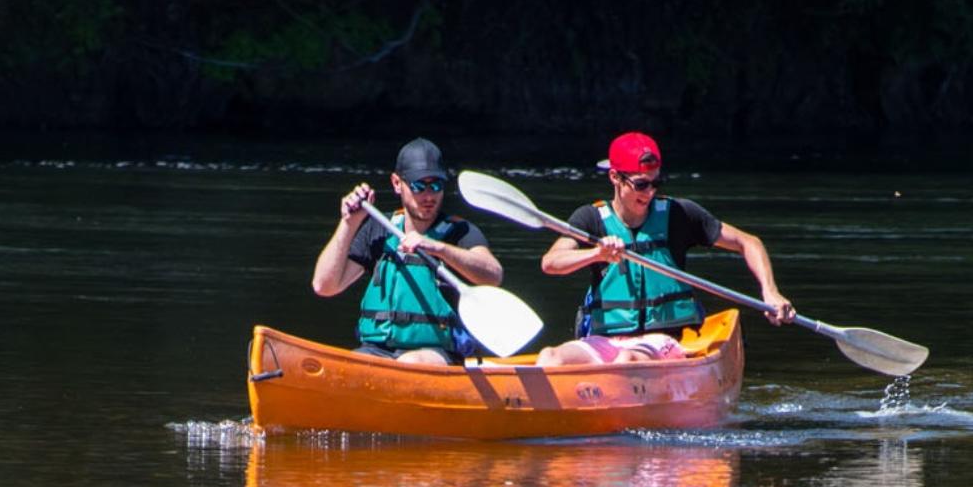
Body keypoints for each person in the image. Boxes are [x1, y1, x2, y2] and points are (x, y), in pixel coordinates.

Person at [535, 131, 795, 366]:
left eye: (655, 183)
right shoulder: (590, 219)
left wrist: (770, 292)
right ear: (615, 177)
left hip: (663, 339)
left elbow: (748, 242)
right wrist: (597, 253)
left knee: (627, 360)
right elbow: (551, 262)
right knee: (550, 357)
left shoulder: (678, 214)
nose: (649, 193)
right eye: (641, 184)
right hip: (606, 340)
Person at [312, 137, 503, 365]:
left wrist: (438, 248)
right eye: (419, 186)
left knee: (410, 363)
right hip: (378, 351)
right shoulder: (378, 230)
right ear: (396, 183)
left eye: (436, 186)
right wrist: (349, 223)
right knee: (347, 365)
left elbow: (493, 275)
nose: (429, 196)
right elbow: (324, 286)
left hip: (438, 354)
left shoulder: (460, 232)